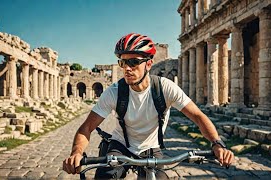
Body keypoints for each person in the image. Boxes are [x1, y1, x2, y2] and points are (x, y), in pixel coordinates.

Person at [63, 33, 235, 179]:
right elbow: (86, 128)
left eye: (133, 62)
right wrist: (76, 153)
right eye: (123, 63)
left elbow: (198, 116)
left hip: (152, 148)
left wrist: (217, 144)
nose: (127, 69)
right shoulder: (114, 92)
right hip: (121, 145)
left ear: (149, 63)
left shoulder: (165, 88)